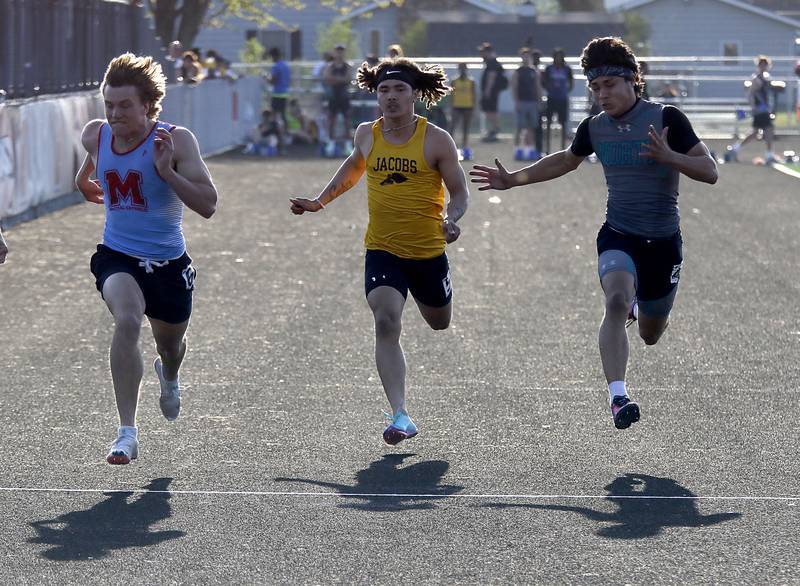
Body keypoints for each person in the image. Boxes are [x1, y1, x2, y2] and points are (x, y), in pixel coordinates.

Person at [470, 37, 717, 430]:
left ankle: (645, 309)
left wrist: (670, 157)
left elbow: (710, 171)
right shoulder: (594, 128)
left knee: (651, 334)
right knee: (615, 300)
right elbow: (566, 161)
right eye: (595, 87)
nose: (602, 95)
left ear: (633, 81)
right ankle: (618, 397)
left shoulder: (667, 118)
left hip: (664, 242)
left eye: (610, 86)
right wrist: (514, 180)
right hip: (618, 233)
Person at [289, 57, 469, 445]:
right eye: (384, 90)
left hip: (427, 250)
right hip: (382, 248)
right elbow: (354, 168)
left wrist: (451, 220)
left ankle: (434, 300)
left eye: (399, 89)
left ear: (415, 94)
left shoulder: (436, 138)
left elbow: (459, 191)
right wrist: (320, 201)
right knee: (386, 321)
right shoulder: (367, 134)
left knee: (439, 322)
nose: (390, 97)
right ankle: (400, 414)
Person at [75, 53, 218, 464]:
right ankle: (126, 433)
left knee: (170, 347)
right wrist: (83, 180)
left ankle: (169, 375)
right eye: (109, 105)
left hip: (168, 265)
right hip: (117, 255)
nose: (114, 114)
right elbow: (94, 160)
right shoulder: (95, 134)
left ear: (148, 106)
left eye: (124, 106)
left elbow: (208, 204)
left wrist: (167, 172)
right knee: (126, 319)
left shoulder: (175, 141)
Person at [728, 55, 777, 164]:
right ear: (758, 65)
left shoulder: (765, 77)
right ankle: (769, 155)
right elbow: (750, 94)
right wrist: (753, 106)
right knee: (769, 129)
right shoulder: (757, 79)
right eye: (761, 64)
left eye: (765, 64)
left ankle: (735, 148)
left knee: (755, 133)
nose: (764, 66)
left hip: (764, 109)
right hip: (760, 109)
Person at [512, 47, 544, 160]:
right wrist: (516, 102)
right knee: (519, 127)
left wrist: (539, 101)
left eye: (527, 55)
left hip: (532, 102)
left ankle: (529, 150)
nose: (525, 57)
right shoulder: (518, 71)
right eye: (523, 55)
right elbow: (514, 87)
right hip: (522, 102)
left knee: (531, 127)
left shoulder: (534, 71)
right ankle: (517, 150)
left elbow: (538, 87)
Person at [323, 44, 354, 155]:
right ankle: (331, 144)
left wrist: (335, 79)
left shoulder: (347, 66)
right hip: (333, 97)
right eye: (338, 51)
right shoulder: (330, 66)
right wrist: (341, 80)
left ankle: (348, 145)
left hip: (344, 96)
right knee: (331, 120)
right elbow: (327, 78)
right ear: (334, 52)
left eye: (341, 51)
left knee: (347, 121)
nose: (339, 53)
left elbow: (348, 78)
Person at [543, 47, 574, 152]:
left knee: (563, 123)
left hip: (562, 99)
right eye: (556, 56)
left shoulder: (567, 69)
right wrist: (550, 88)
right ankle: (547, 148)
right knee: (548, 123)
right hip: (551, 98)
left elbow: (571, 82)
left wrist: (565, 90)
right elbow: (544, 82)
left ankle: (562, 148)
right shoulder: (549, 69)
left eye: (560, 56)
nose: (558, 58)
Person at [478, 42, 507, 142]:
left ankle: (495, 129)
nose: (481, 54)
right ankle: (494, 129)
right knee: (490, 111)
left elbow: (492, 77)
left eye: (483, 52)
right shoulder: (492, 62)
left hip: (491, 92)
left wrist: (487, 92)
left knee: (490, 111)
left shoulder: (492, 62)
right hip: (493, 92)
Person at [450, 61, 476, 160]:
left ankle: (465, 148)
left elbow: (474, 95)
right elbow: (452, 95)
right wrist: (451, 107)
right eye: (461, 68)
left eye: (464, 68)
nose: (463, 70)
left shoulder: (471, 81)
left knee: (466, 128)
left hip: (468, 106)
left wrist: (474, 108)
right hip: (457, 106)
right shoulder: (454, 81)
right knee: (453, 127)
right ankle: (451, 147)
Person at [268, 47, 291, 150]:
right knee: (283, 116)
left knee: (275, 118)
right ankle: (286, 136)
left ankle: (279, 140)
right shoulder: (286, 66)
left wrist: (266, 77)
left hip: (277, 94)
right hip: (285, 94)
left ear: (274, 56)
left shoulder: (276, 66)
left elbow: (272, 80)